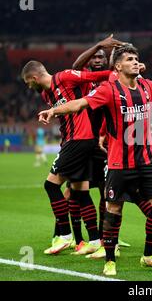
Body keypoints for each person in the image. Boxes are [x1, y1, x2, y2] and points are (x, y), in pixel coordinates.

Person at [38, 44, 152, 275]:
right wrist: (53, 111)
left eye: (137, 58)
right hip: (119, 162)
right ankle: (110, 259)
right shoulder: (108, 90)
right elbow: (80, 103)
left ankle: (149, 255)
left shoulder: (147, 86)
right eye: (130, 59)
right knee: (114, 209)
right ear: (118, 66)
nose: (135, 62)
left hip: (146, 160)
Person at [69, 38, 152, 259]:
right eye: (94, 57)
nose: (97, 59)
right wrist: (98, 45)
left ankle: (107, 244)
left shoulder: (115, 79)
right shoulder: (90, 80)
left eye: (101, 56)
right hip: (98, 141)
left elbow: (137, 94)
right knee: (106, 194)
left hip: (107, 144)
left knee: (108, 196)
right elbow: (77, 67)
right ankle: (106, 242)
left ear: (110, 63)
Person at [21, 60, 111, 255]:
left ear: (34, 78)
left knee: (51, 185)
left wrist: (124, 74)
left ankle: (64, 235)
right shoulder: (47, 93)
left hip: (78, 139)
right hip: (76, 140)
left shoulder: (64, 77)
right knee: (80, 191)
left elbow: (95, 75)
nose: (28, 86)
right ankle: (95, 240)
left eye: (28, 82)